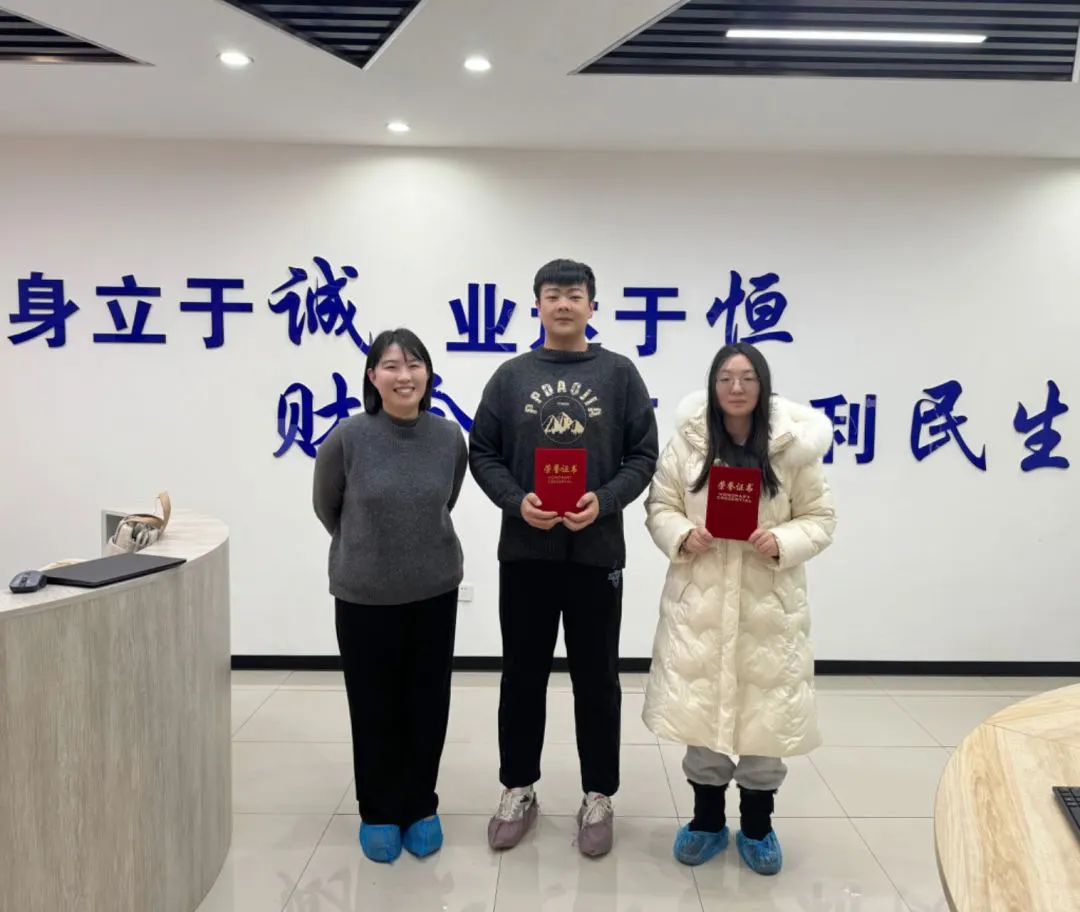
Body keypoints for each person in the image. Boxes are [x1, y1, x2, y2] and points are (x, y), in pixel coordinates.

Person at [469, 258, 658, 857]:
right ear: (538, 305)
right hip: (526, 552)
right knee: (522, 675)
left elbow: (643, 455)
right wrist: (515, 501)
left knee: (597, 679)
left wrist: (604, 501)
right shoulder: (511, 376)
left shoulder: (619, 374)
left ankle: (598, 794)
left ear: (592, 306)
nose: (564, 304)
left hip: (596, 554)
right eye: (553, 295)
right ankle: (518, 787)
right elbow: (482, 453)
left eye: (575, 295)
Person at [642, 342, 836, 875]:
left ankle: (757, 827)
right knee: (701, 715)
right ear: (712, 385)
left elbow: (821, 517)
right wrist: (683, 534)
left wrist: (783, 540)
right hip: (700, 600)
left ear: (762, 385)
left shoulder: (791, 448)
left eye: (747, 378)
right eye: (726, 377)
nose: (736, 387)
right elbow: (660, 505)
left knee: (764, 720)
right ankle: (706, 822)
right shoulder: (688, 443)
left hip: (767, 606)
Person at [312, 328, 467, 864]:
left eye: (414, 364)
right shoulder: (347, 438)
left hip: (434, 589)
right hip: (364, 595)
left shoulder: (449, 437)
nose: (405, 376)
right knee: (373, 703)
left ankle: (420, 804)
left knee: (427, 701)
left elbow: (446, 498)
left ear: (428, 374)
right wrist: (367, 547)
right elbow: (327, 507)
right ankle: (377, 809)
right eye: (392, 366)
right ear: (372, 377)